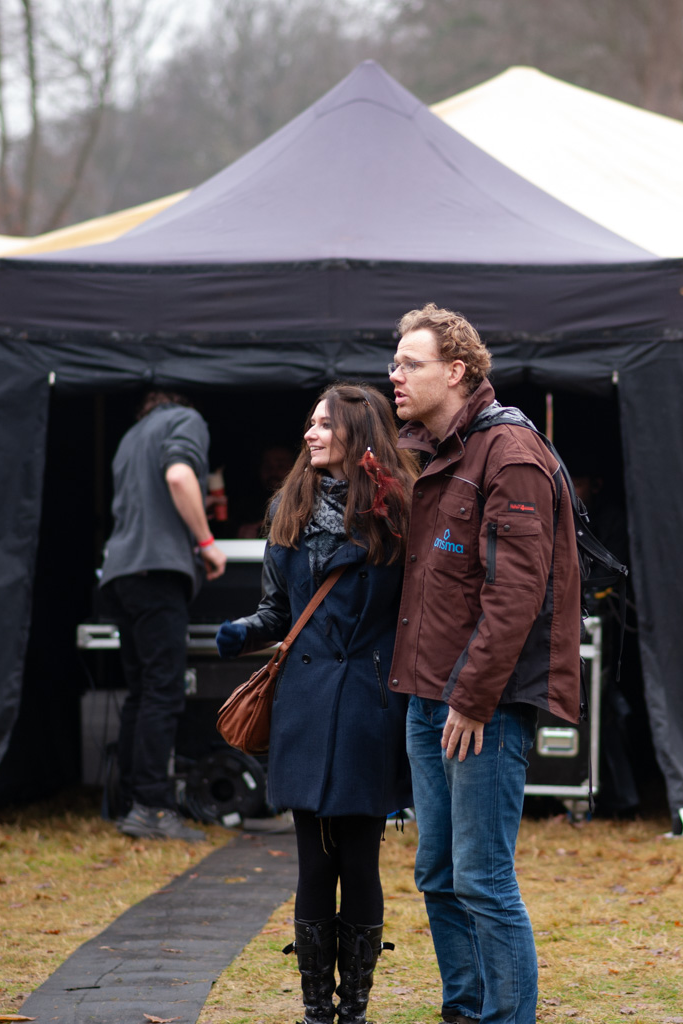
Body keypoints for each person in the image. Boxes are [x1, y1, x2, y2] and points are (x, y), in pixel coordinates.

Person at [387, 303, 580, 1024]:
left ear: (456, 371)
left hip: (480, 707)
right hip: (427, 699)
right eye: (394, 361)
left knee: (483, 879)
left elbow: (516, 595)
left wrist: (470, 699)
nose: (395, 374)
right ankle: (464, 1011)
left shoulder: (510, 454)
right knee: (438, 874)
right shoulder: (440, 452)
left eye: (410, 363)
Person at [215, 385, 415, 1024]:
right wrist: (245, 631)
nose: (311, 434)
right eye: (311, 423)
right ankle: (315, 1012)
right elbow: (277, 611)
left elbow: (418, 611)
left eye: (325, 425)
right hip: (304, 703)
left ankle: (353, 1008)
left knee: (359, 858)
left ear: (360, 432)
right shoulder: (289, 506)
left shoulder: (399, 509)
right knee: (312, 862)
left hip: (369, 703)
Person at [99, 391, 226, 841]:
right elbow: (178, 475)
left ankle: (132, 802)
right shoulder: (185, 419)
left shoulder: (132, 435)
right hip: (156, 572)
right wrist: (206, 542)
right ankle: (152, 807)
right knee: (163, 691)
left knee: (141, 692)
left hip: (121, 573)